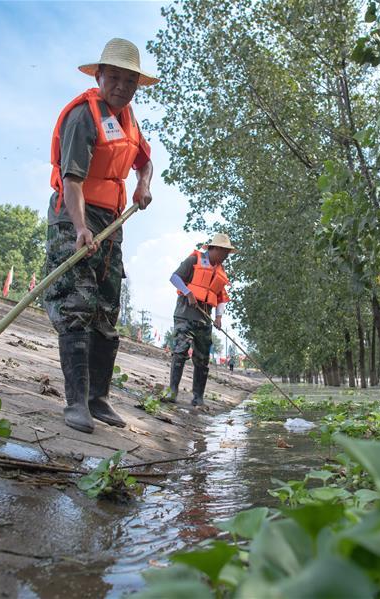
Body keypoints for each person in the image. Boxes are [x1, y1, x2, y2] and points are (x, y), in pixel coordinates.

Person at [43, 38, 158, 434]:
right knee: (77, 304)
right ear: (100, 76)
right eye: (115, 78)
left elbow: (146, 161)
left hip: (112, 222)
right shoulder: (84, 117)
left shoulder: (129, 121)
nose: (123, 87)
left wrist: (143, 185)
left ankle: (99, 398)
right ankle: (76, 403)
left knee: (107, 310)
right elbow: (72, 182)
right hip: (74, 216)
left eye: (130, 80)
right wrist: (79, 229)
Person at [165, 233, 236, 406]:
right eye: (225, 252)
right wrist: (188, 292)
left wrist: (218, 317)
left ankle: (198, 397)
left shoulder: (220, 270)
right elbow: (174, 277)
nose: (226, 256)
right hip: (185, 314)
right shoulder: (194, 260)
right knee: (180, 352)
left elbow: (221, 297)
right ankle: (172, 392)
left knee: (202, 359)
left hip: (204, 319)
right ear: (216, 248)